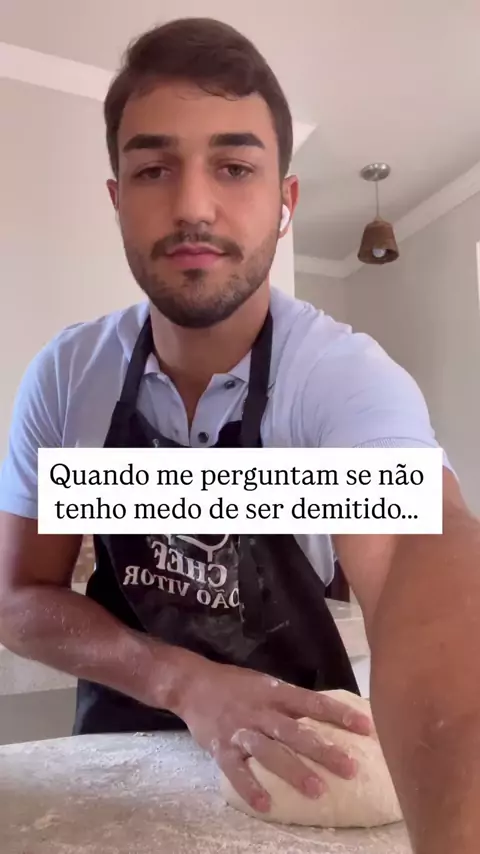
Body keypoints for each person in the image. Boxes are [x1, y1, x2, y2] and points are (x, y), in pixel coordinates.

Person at [0, 16, 479, 853]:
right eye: (154, 169)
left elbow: (419, 554)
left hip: (305, 762)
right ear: (117, 198)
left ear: (286, 202)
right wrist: (183, 681)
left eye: (234, 166)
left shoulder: (336, 376)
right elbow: (19, 598)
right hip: (114, 767)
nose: (193, 206)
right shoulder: (69, 380)